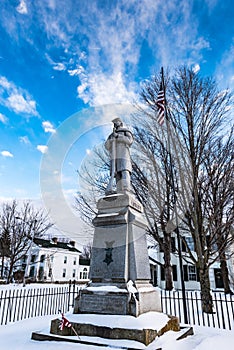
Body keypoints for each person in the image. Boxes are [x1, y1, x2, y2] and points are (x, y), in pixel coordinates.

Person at [105, 117, 133, 194]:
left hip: (124, 154)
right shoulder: (111, 135)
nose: (115, 124)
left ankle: (126, 188)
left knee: (124, 171)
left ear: (120, 123)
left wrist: (118, 136)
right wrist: (111, 140)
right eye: (114, 122)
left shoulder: (125, 131)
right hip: (114, 157)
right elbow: (107, 146)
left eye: (116, 122)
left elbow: (129, 141)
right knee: (116, 173)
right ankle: (119, 190)